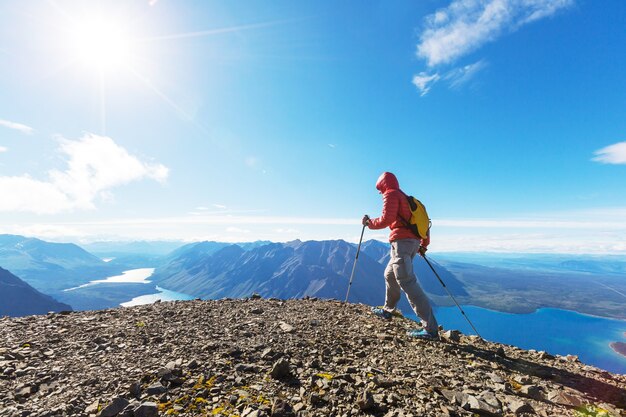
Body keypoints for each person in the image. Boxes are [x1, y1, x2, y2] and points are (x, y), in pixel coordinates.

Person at [362, 171, 439, 339]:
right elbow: (424, 225)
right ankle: (388, 310)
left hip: (402, 243)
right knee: (389, 275)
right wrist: (423, 245)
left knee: (407, 282)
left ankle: (430, 329)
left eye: (379, 188)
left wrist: (369, 223)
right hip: (411, 243)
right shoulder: (407, 198)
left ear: (383, 184)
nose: (379, 192)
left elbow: (386, 219)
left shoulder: (391, 194)